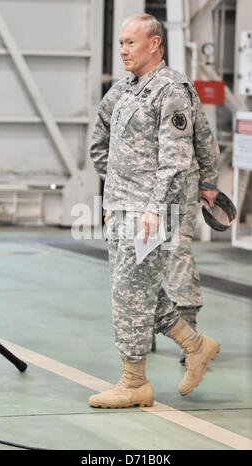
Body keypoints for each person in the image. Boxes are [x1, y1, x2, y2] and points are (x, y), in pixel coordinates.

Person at [88, 14, 220, 408]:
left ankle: (133, 383)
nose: (124, 50)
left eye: (131, 42)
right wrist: (114, 198)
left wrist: (155, 211)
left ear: (155, 44)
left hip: (150, 211)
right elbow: (107, 148)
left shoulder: (171, 90)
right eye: (121, 43)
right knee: (135, 291)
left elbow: (176, 160)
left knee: (130, 292)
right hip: (123, 207)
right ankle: (195, 345)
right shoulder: (126, 90)